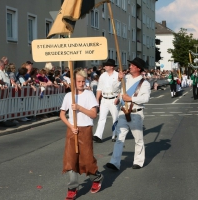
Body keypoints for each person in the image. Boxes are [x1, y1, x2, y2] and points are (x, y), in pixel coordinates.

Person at [59, 68, 103, 200]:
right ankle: (72, 188)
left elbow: (94, 114)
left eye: (83, 81)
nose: (81, 83)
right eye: (78, 81)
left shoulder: (89, 95)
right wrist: (71, 126)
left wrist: (79, 108)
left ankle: (97, 177)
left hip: (85, 130)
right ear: (74, 82)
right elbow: (62, 114)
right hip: (72, 130)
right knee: (71, 159)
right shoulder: (69, 96)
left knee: (87, 159)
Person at [106, 57, 151, 170]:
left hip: (136, 113)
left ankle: (138, 161)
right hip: (123, 113)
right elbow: (114, 89)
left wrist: (130, 98)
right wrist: (118, 79)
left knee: (138, 139)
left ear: (138, 68)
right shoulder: (125, 78)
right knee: (119, 138)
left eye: (132, 65)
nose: (130, 66)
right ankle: (115, 162)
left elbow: (145, 98)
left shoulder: (144, 83)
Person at [93, 59, 121, 143]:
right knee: (101, 118)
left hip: (114, 98)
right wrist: (97, 99)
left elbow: (122, 89)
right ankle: (98, 135)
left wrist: (118, 98)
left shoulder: (118, 75)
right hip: (104, 99)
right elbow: (99, 88)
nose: (105, 66)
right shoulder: (103, 75)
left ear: (112, 67)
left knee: (115, 117)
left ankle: (115, 134)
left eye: (107, 65)